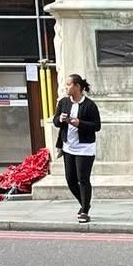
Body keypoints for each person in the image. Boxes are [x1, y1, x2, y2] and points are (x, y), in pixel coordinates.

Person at [54, 74, 102, 224]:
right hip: (68, 147)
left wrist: (79, 123)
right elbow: (56, 121)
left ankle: (85, 211)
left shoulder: (89, 105)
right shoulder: (63, 102)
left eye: (68, 84)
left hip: (84, 148)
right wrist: (60, 119)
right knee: (71, 180)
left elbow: (97, 126)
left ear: (77, 87)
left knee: (83, 179)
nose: (66, 87)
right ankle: (84, 203)